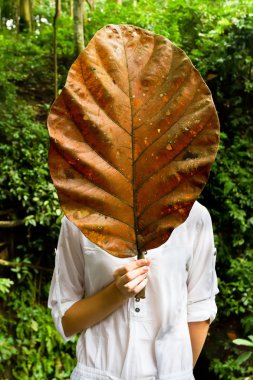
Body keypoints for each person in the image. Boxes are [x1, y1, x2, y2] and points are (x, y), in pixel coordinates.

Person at [48, 200, 219, 380]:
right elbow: (66, 320)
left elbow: (200, 310)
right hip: (97, 371)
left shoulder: (193, 216)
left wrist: (178, 371)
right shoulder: (81, 215)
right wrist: (117, 293)